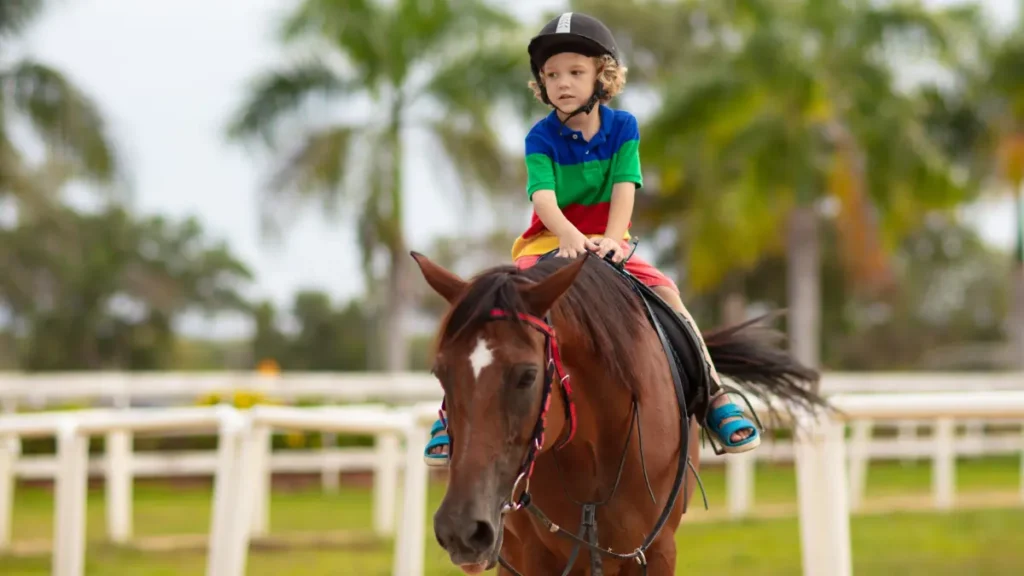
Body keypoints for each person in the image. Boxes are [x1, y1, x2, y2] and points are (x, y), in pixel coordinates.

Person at [424, 12, 760, 467]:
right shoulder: (539, 137)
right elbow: (543, 198)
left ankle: (715, 396)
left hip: (609, 242)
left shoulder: (623, 128)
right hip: (550, 242)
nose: (563, 83)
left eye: (575, 72)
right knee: (499, 304)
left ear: (602, 76)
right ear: (541, 84)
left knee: (668, 294)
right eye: (552, 75)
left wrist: (615, 240)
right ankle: (449, 414)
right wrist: (569, 236)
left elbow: (625, 187)